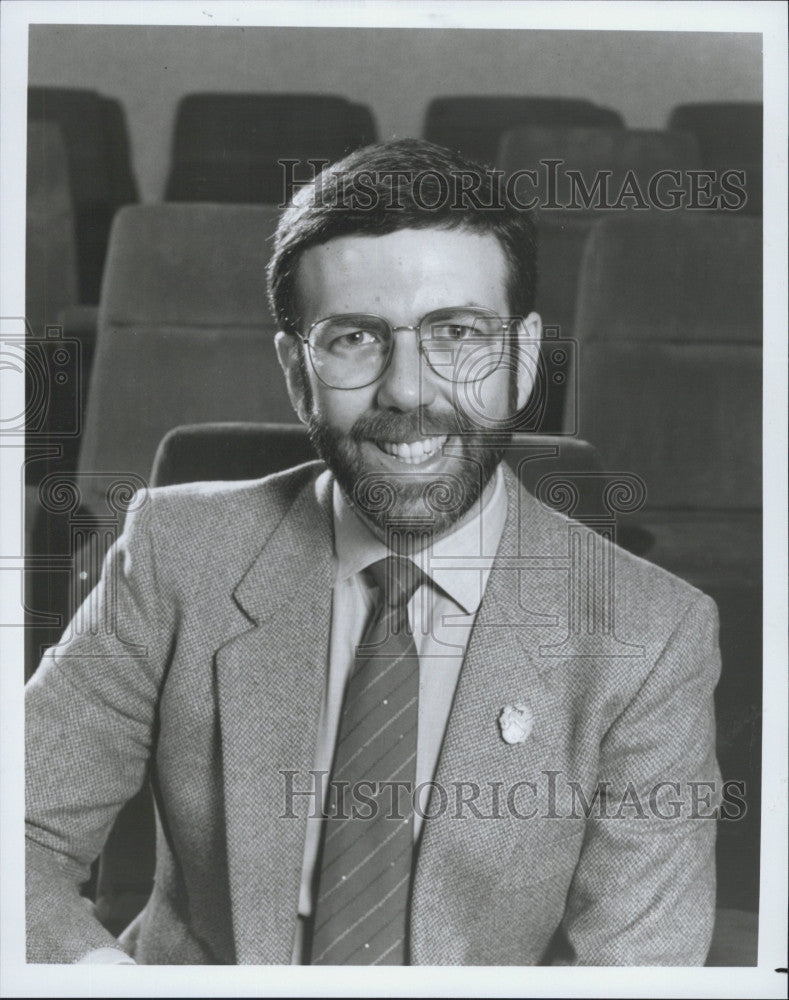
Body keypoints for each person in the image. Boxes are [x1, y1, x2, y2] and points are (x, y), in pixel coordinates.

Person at [25, 139, 721, 966]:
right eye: (355, 337)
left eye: (456, 332)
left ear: (525, 358)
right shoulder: (175, 554)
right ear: (296, 371)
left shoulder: (651, 633)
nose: (406, 390)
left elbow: (640, 970)